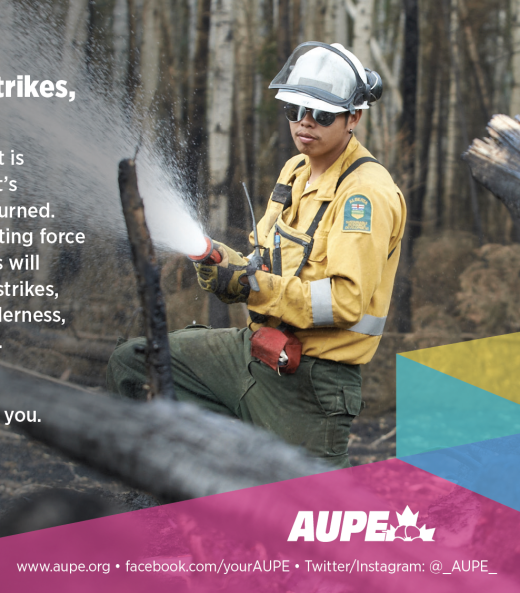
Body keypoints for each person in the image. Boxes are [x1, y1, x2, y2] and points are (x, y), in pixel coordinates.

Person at [106, 42, 407, 469]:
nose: (305, 123)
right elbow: (265, 261)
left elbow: (344, 302)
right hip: (254, 353)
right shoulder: (295, 171)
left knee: (302, 527)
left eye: (322, 114)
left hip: (313, 383)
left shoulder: (365, 194)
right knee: (134, 364)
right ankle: (186, 498)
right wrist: (221, 262)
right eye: (295, 110)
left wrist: (252, 286)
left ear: (353, 117)